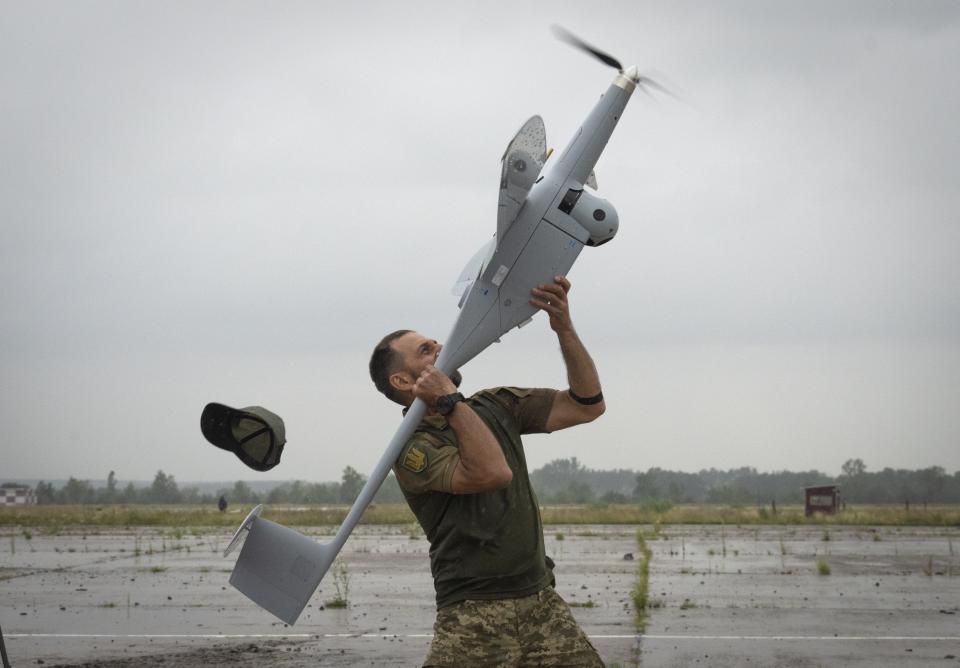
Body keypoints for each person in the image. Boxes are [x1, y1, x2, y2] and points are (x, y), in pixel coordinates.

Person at [368, 276, 607, 667]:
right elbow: (492, 473)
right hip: (471, 614)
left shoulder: (495, 405)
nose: (442, 348)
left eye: (436, 342)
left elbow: (587, 405)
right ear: (404, 381)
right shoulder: (411, 448)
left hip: (542, 601)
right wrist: (448, 401)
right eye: (426, 351)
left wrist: (563, 327)